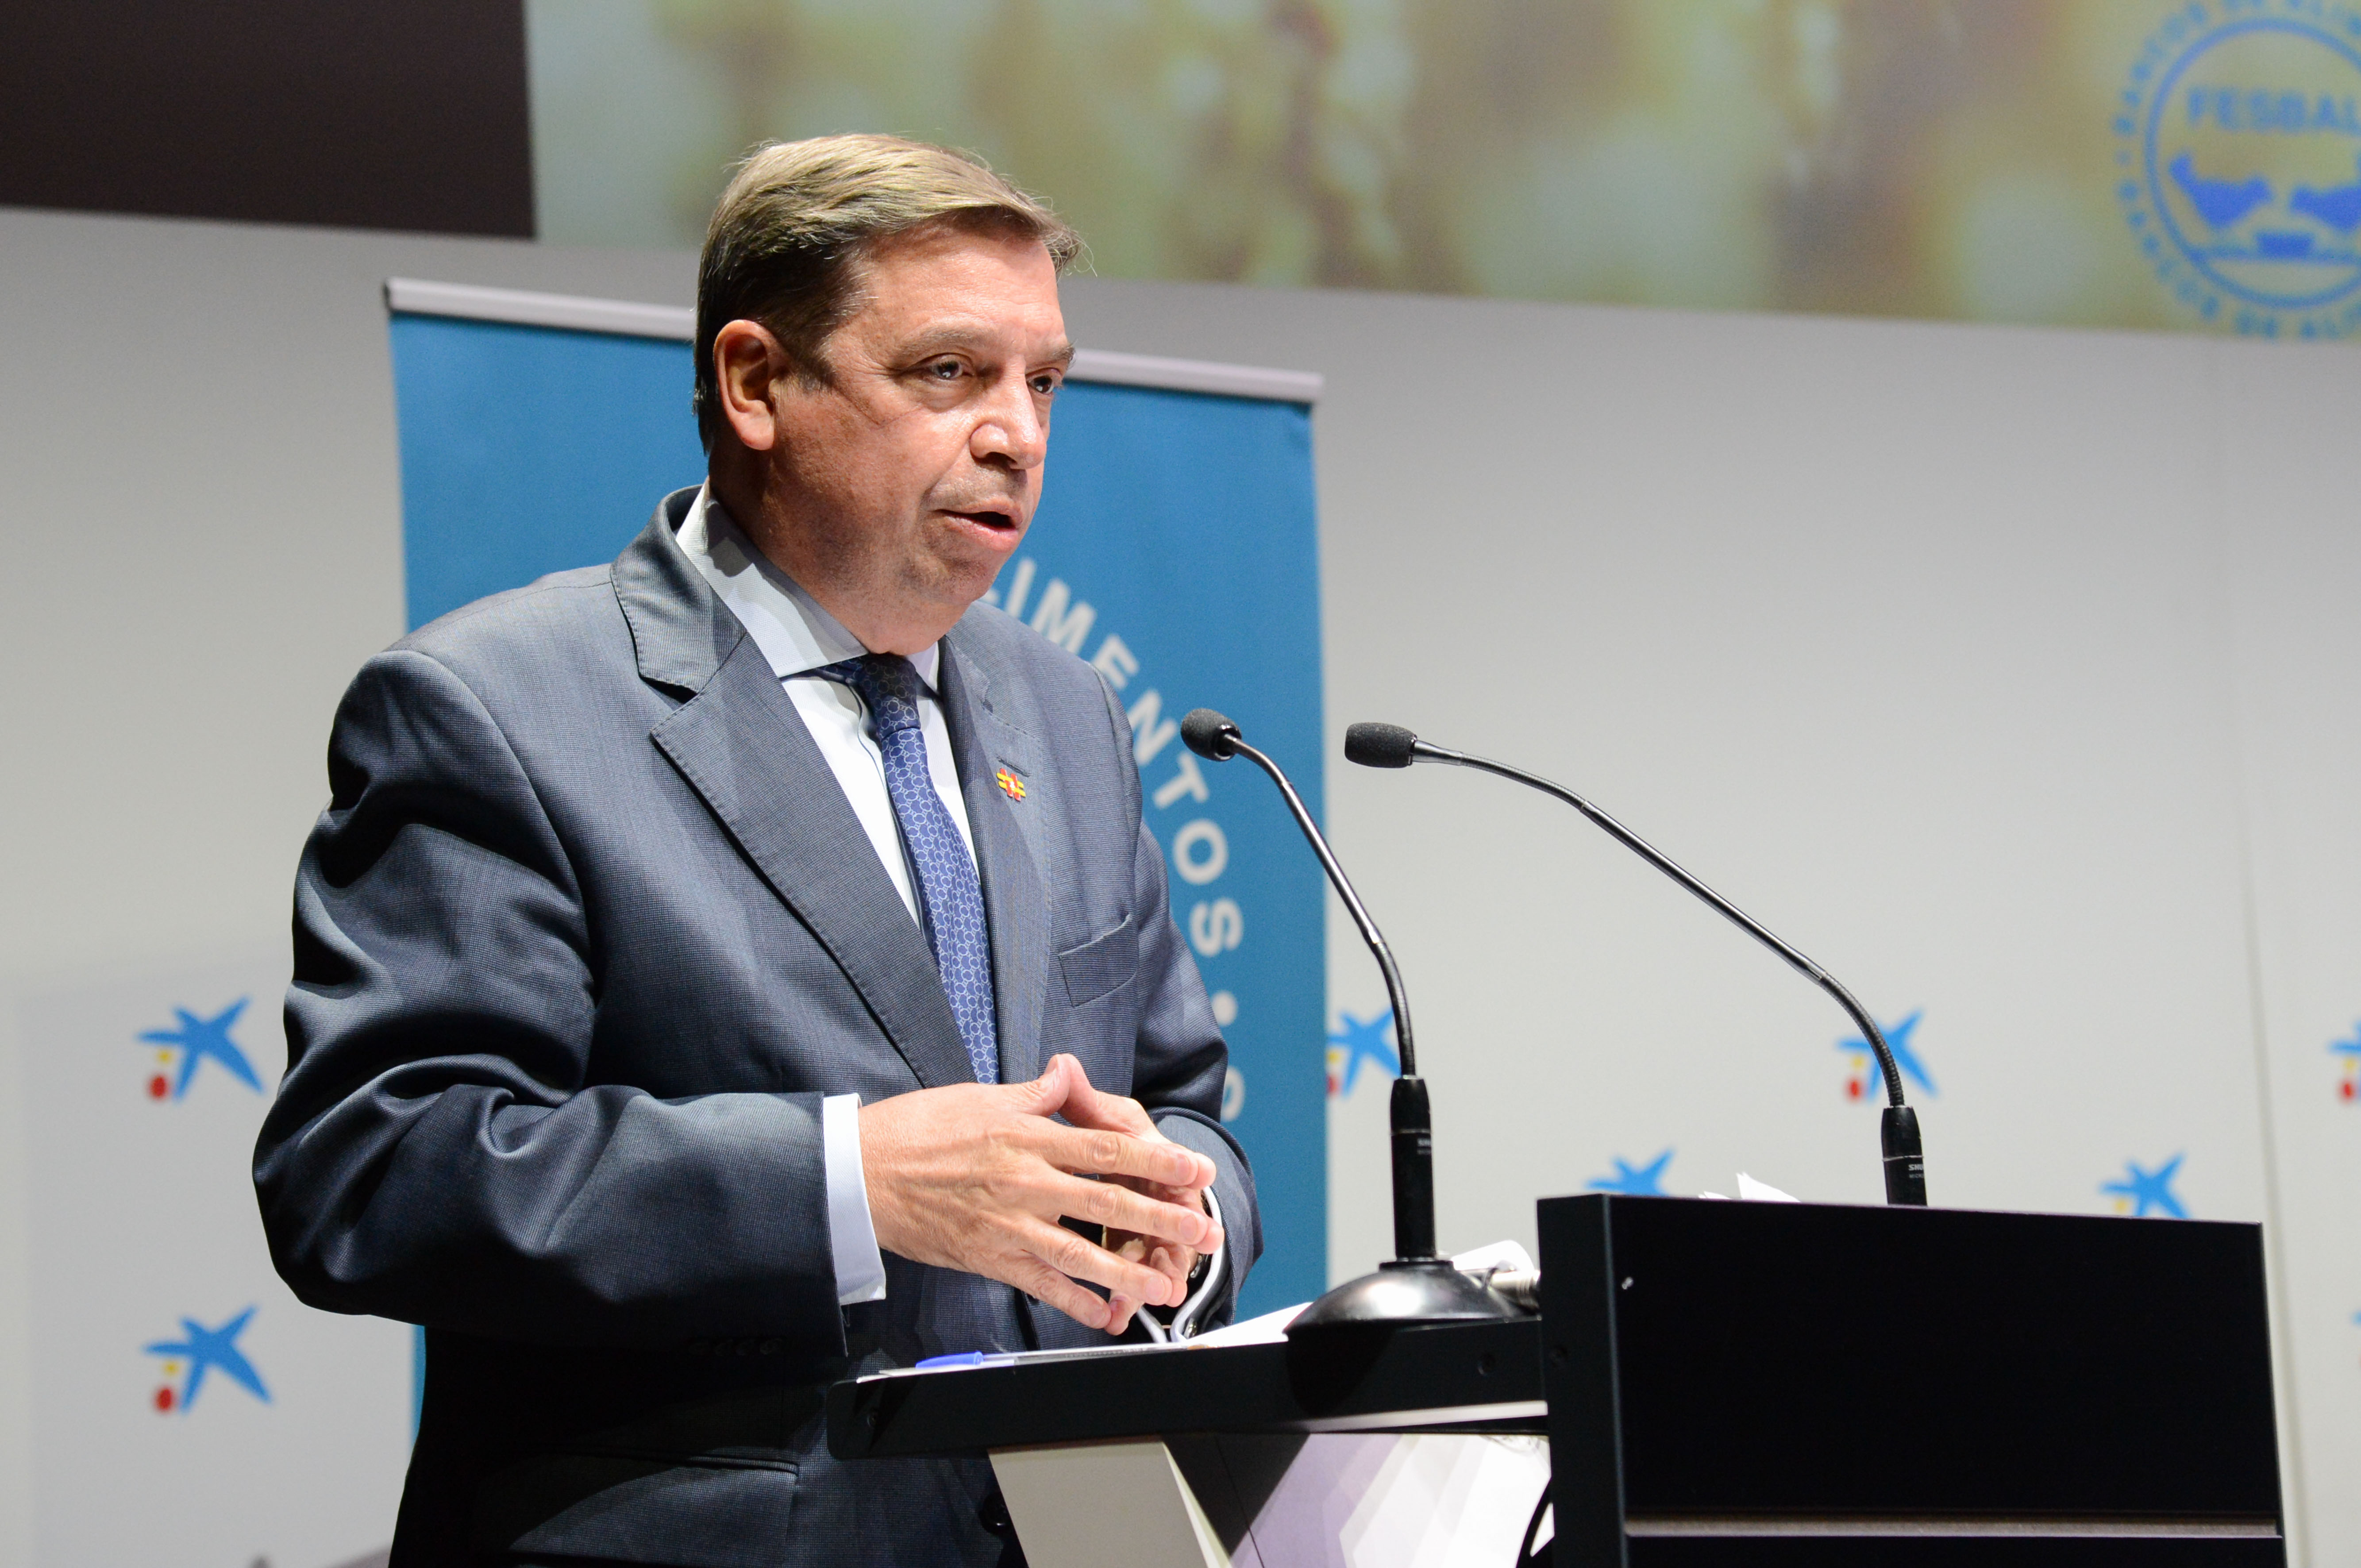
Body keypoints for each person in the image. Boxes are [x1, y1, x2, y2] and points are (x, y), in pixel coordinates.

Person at [254, 134, 1261, 1568]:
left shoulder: (1069, 713)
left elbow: (1185, 1105)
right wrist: (848, 1181)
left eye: (1043, 382)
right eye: (949, 373)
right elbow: (374, 1171)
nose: (1018, 435)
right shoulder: (497, 709)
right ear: (755, 383)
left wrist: (1183, 1220)